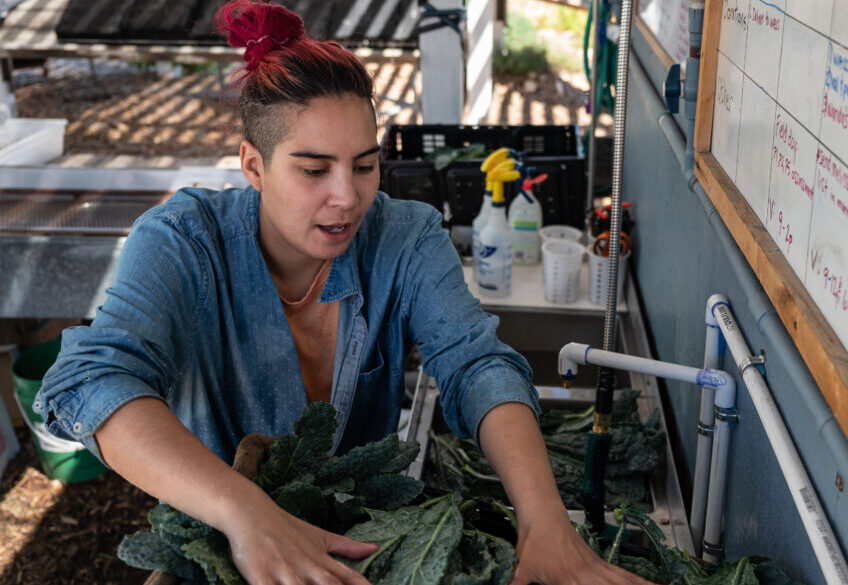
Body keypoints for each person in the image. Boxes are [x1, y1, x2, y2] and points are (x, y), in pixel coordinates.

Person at [36, 2, 654, 585]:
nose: (348, 197)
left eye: (364, 165)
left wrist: (544, 523)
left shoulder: (404, 237)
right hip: (222, 533)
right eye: (313, 170)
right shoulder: (182, 241)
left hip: (357, 535)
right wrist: (249, 513)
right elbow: (95, 381)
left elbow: (476, 364)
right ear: (252, 166)